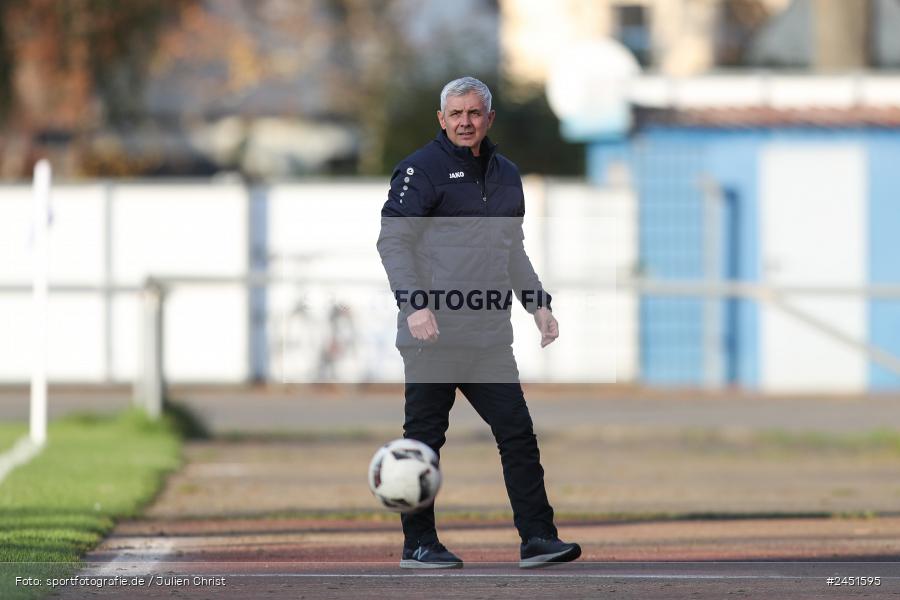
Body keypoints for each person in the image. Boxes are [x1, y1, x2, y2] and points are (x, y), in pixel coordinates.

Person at [376, 77, 580, 569]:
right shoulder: (419, 171)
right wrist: (415, 305)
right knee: (423, 443)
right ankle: (419, 545)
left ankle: (538, 539)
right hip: (433, 336)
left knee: (517, 434)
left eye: (474, 113)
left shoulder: (507, 175)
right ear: (441, 120)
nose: (465, 122)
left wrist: (539, 304)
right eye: (456, 114)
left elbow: (512, 251)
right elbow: (393, 243)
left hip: (489, 337)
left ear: (488, 118)